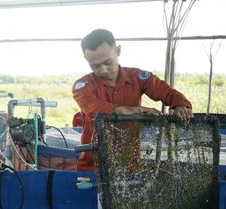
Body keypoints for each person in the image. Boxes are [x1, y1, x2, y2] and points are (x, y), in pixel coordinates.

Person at [72, 28, 193, 171]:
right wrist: (131, 111)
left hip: (129, 166)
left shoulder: (138, 77)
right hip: (93, 167)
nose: (103, 70)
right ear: (87, 60)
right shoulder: (82, 86)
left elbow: (166, 91)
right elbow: (92, 107)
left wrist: (180, 105)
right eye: (95, 66)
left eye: (107, 62)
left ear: (118, 51)